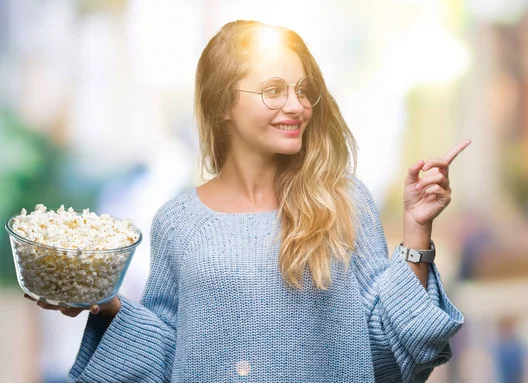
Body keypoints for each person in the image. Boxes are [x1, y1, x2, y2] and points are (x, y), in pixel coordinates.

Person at [26, 20, 470, 382]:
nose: (296, 105)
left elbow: (388, 350)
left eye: (302, 89)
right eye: (273, 90)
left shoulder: (343, 202)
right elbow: (169, 357)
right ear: (223, 104)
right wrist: (110, 306)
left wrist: (417, 229)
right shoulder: (178, 221)